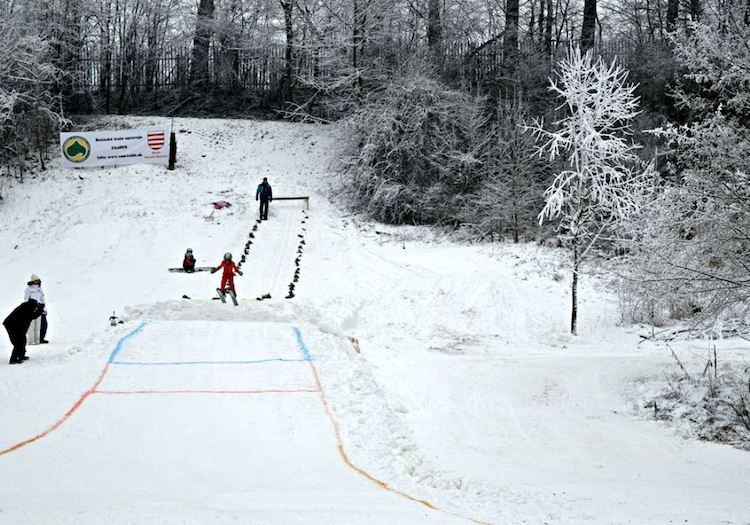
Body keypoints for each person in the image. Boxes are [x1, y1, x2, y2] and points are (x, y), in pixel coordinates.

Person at [4, 298, 44, 364]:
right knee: (18, 342)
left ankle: (21, 355)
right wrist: (40, 309)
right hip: (12, 326)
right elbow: (33, 316)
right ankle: (13, 359)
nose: (35, 309)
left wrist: (39, 309)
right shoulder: (26, 309)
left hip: (17, 326)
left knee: (23, 340)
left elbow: (32, 315)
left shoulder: (26, 306)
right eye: (35, 307)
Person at [24, 274, 48, 344]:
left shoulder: (39, 289)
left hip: (40, 308)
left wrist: (44, 309)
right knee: (32, 325)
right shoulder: (28, 289)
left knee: (39, 325)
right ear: (32, 281)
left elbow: (42, 299)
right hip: (31, 308)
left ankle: (38, 340)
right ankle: (31, 341)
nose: (36, 281)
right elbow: (26, 299)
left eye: (37, 280)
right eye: (35, 280)